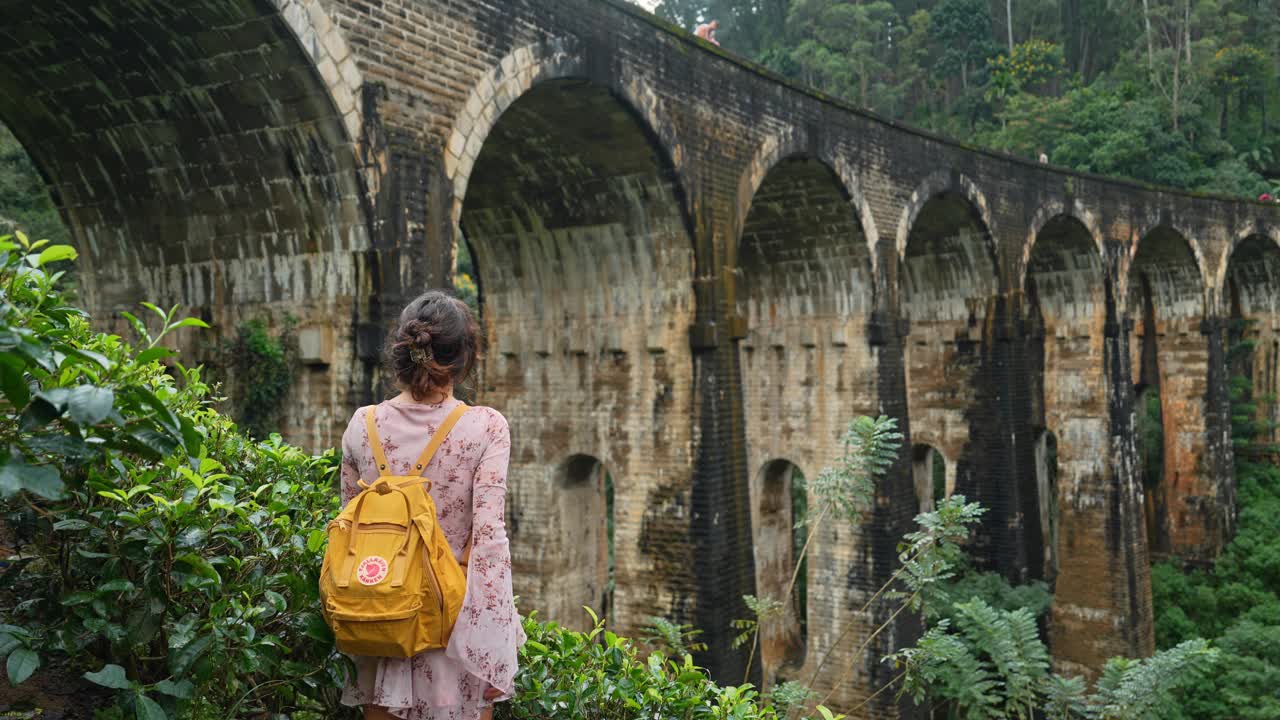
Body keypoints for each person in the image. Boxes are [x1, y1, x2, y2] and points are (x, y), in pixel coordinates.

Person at [338, 290, 523, 720]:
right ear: (465, 357)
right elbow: (489, 542)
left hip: (380, 627)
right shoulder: (486, 428)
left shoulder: (361, 425)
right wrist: (494, 653)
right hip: (450, 636)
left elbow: (348, 532)